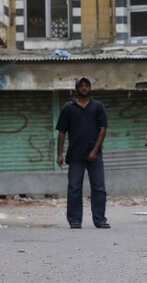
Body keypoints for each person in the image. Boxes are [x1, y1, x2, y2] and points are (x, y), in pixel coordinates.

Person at [55, 76, 109, 229]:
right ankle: (74, 219)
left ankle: (100, 219)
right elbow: (61, 132)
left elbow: (103, 130)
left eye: (87, 85)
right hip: (75, 154)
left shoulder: (98, 106)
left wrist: (95, 150)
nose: (84, 88)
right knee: (74, 187)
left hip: (95, 154)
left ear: (90, 88)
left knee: (99, 188)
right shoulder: (68, 108)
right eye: (81, 86)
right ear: (77, 88)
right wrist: (59, 154)